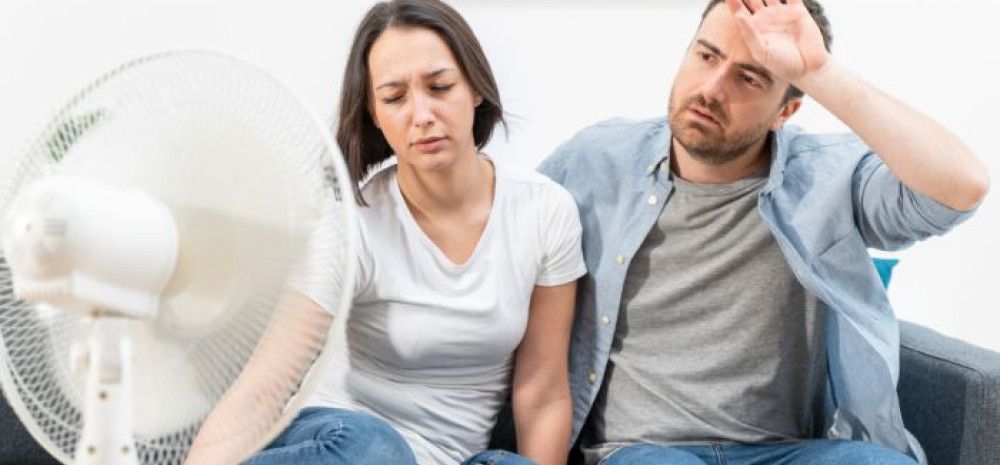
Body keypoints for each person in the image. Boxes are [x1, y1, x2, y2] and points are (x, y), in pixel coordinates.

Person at [537, 1, 990, 464]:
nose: (711, 89)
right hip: (644, 449)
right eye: (707, 56)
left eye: (749, 78)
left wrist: (818, 71)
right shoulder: (596, 160)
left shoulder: (826, 178)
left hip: (785, 453)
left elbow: (961, 188)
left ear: (785, 111)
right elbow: (508, 244)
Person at [185, 1, 584, 465]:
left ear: (476, 88)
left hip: (452, 457)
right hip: (342, 443)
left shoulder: (545, 212)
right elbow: (265, 387)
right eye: (394, 98)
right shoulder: (351, 222)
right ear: (374, 113)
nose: (422, 114)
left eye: (440, 87)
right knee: (378, 448)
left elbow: (542, 394)